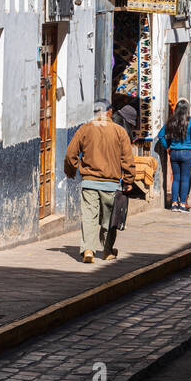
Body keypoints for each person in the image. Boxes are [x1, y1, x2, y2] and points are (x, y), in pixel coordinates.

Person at [65, 102, 135, 262]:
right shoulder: (120, 131)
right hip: (111, 183)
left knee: (89, 217)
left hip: (89, 182)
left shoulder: (85, 129)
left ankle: (88, 250)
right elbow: (127, 159)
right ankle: (107, 250)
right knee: (109, 218)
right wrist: (129, 179)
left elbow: (70, 154)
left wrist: (71, 170)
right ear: (110, 112)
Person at [157, 99, 191, 210]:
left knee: (176, 178)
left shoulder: (171, 121)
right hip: (187, 153)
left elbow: (160, 135)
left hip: (174, 153)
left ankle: (174, 203)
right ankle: (183, 204)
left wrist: (167, 147)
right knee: (185, 179)